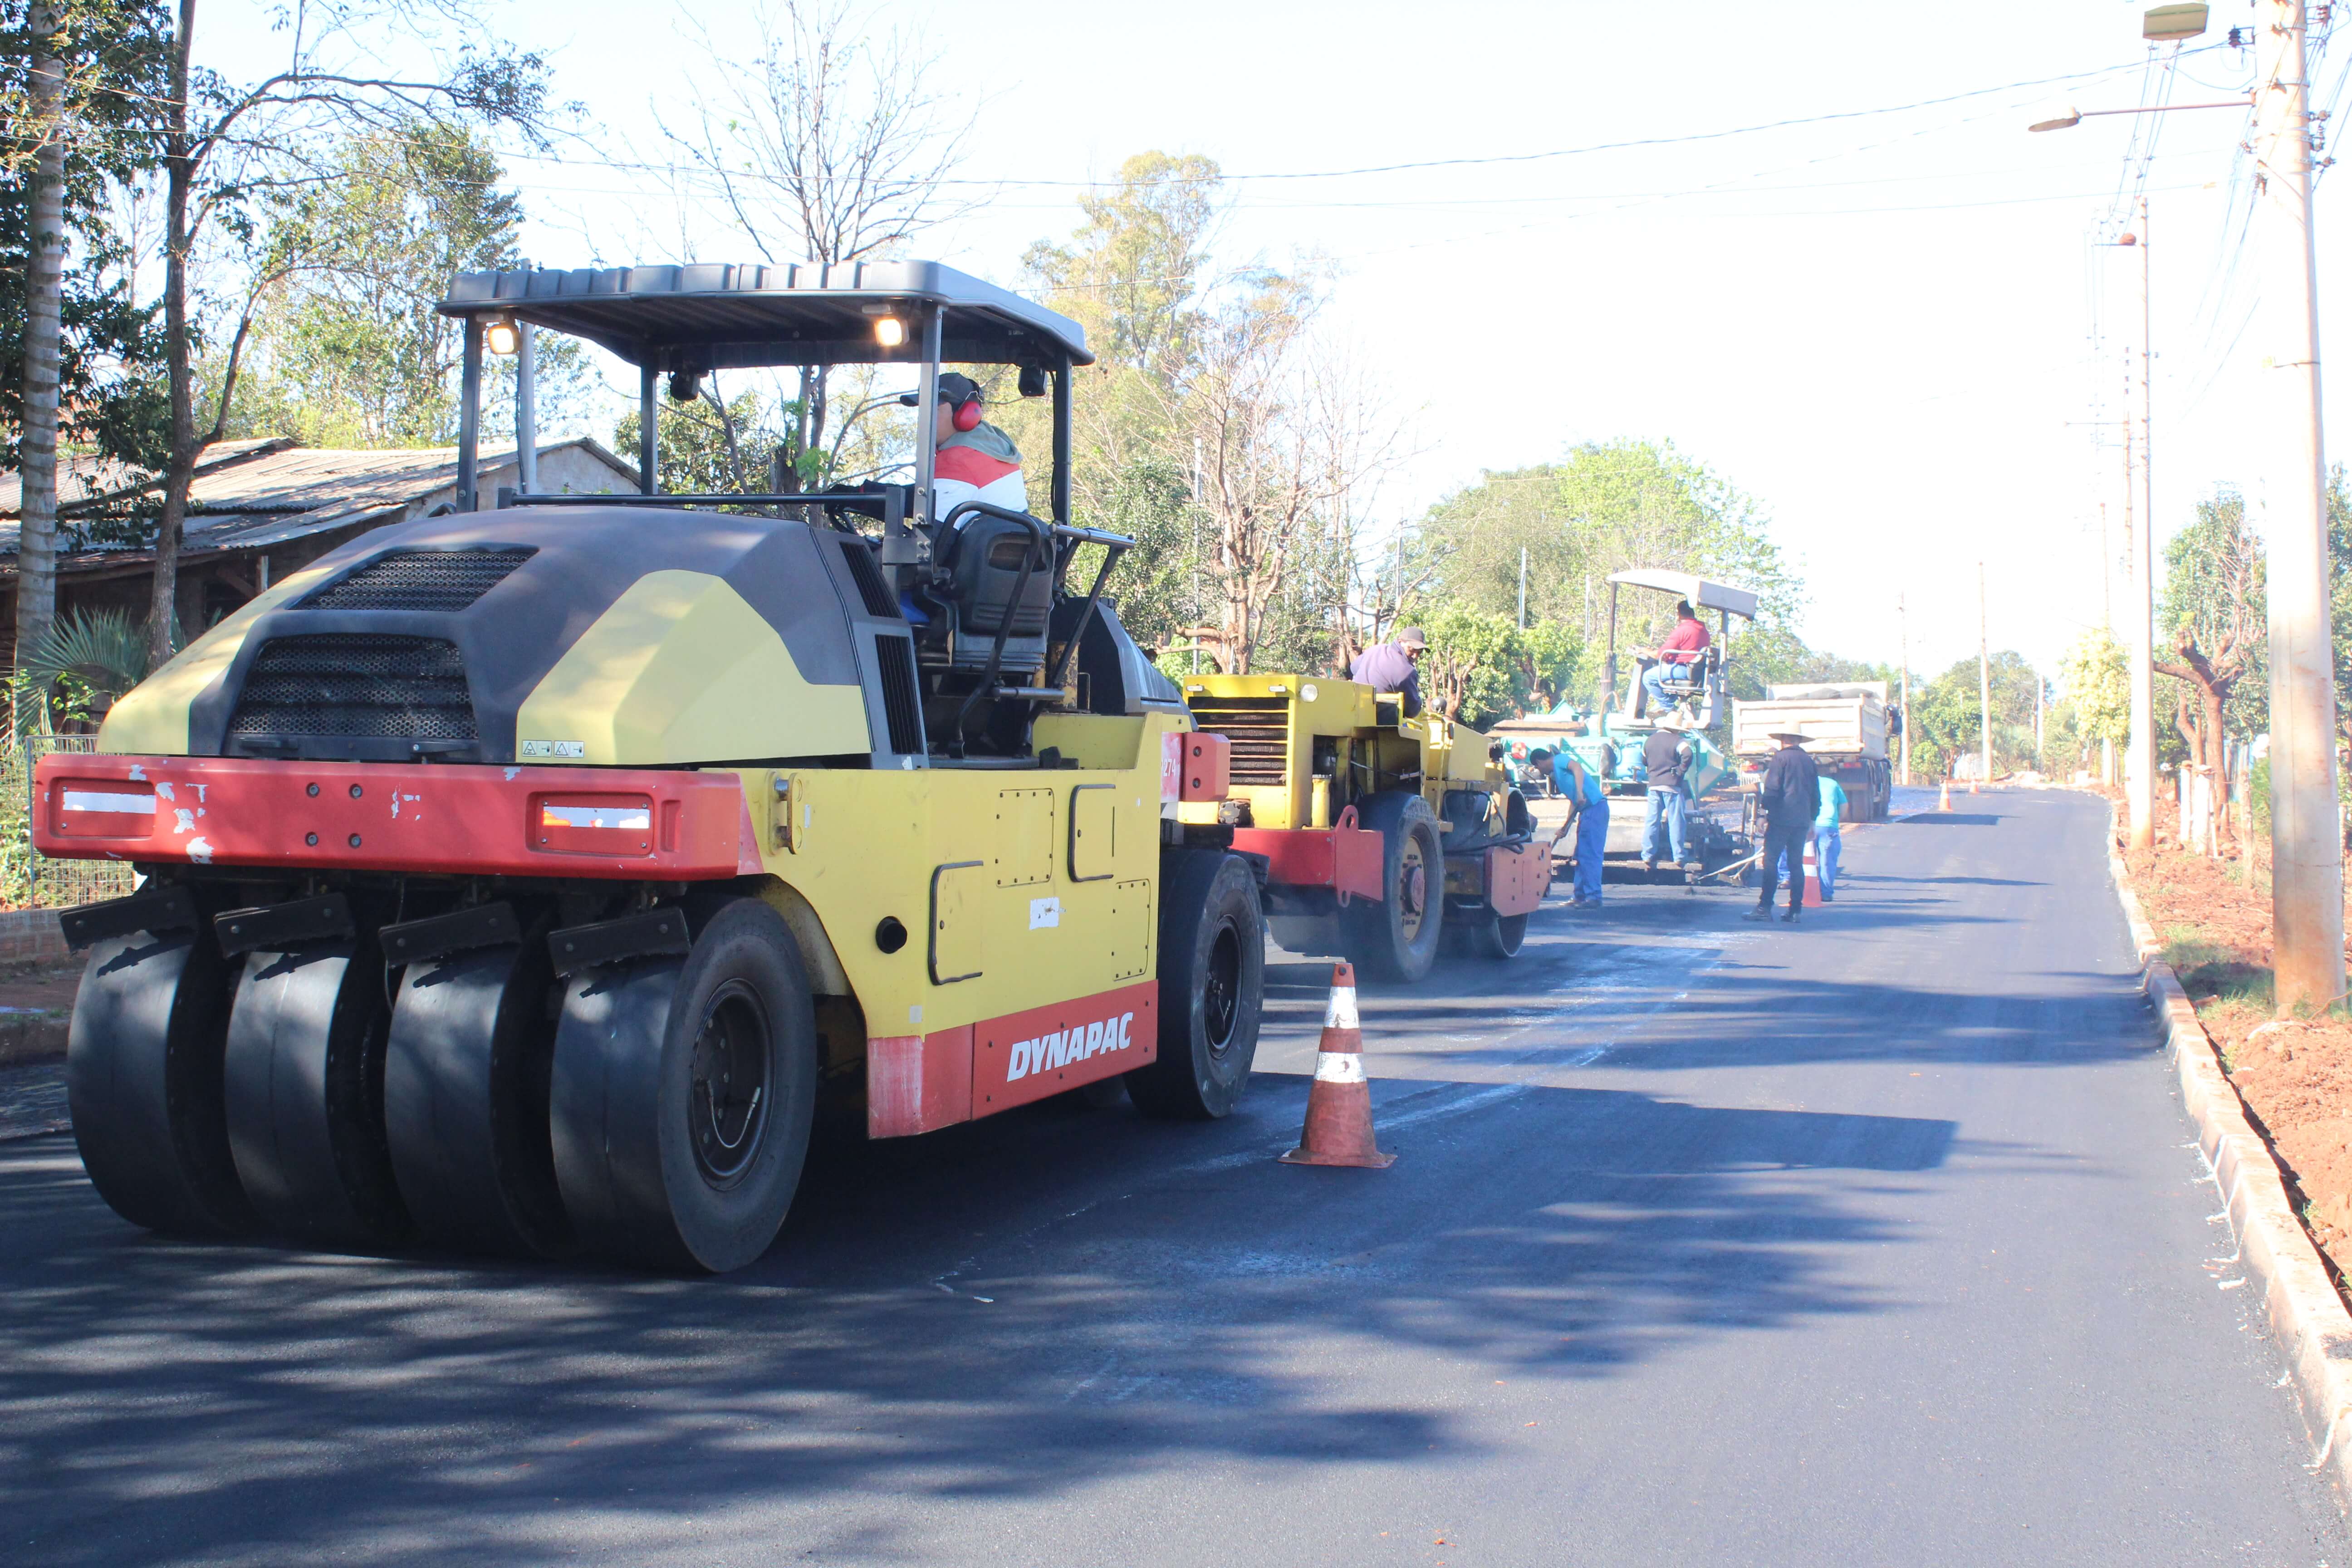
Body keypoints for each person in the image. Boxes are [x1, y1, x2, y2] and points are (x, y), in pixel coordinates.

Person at [910, 373, 1028, 521]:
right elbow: (932, 495)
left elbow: (930, 531)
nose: (923, 419)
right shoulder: (993, 449)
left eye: (933, 409)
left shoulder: (956, 459)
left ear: (963, 414)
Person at [1746, 729, 1819, 923]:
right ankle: (1795, 910)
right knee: (1796, 864)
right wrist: (1812, 821)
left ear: (1783, 740)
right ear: (1799, 740)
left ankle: (1765, 907)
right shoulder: (1809, 761)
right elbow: (1815, 794)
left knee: (1771, 861)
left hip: (1781, 818)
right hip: (1802, 820)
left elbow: (1772, 788)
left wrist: (1763, 814)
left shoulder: (1780, 758)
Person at [1530, 745, 1608, 908]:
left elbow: (1577, 767)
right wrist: (1565, 827)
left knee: (1590, 855)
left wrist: (1580, 793)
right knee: (1581, 855)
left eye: (1537, 767)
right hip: (1586, 812)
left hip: (1595, 809)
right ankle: (1580, 896)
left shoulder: (1559, 760)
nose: (1540, 771)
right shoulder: (1559, 775)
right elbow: (1574, 802)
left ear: (1539, 762)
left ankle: (1593, 897)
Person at [1776, 770, 1848, 902]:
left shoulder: (1801, 783)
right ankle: (1826, 893)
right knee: (1827, 861)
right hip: (1828, 826)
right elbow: (1844, 806)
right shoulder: (1832, 783)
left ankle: (1801, 891)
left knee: (1802, 859)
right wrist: (1836, 822)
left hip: (1806, 825)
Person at [1641, 719, 1696, 874]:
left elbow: (1644, 760)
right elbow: (1688, 754)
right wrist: (1681, 769)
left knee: (1652, 820)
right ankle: (1679, 856)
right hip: (1672, 786)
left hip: (1654, 786)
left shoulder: (1649, 741)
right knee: (1676, 821)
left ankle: (1647, 855)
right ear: (1675, 729)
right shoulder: (1678, 741)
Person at [1639, 600, 1712, 716]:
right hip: (1699, 673)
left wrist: (1645, 650)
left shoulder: (1682, 630)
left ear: (1679, 614)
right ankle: (1667, 705)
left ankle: (1670, 710)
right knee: (1662, 671)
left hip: (1684, 670)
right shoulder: (1703, 631)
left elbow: (1660, 655)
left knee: (1648, 677)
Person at [1348, 627, 1427, 719]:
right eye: (1412, 650)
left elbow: (1353, 668)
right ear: (1401, 642)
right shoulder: (1407, 671)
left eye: (1419, 652)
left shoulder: (1375, 650)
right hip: (1381, 721)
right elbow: (1412, 711)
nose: (1415, 656)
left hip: (1354, 712)